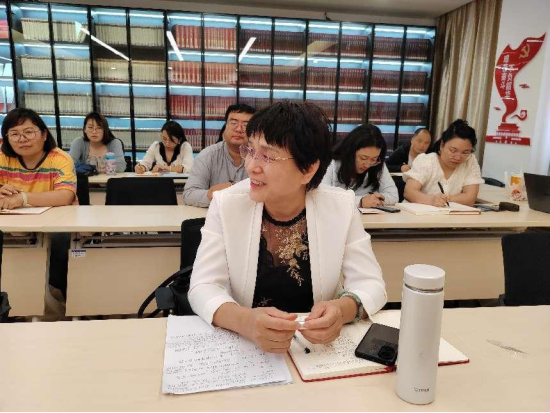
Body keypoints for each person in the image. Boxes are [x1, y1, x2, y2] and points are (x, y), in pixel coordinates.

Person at [189, 102, 387, 354]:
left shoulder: (341, 206)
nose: (251, 166)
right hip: (250, 349)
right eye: (250, 150)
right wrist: (244, 321)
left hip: (314, 351)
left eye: (267, 156)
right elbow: (202, 286)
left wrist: (342, 310)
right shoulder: (227, 203)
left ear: (308, 169)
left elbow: (372, 285)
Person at [0, 108, 76, 210]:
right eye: (14, 134)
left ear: (44, 134)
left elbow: (66, 196)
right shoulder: (3, 159)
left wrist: (23, 198)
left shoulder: (60, 158)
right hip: (13, 219)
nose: (22, 139)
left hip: (55, 217)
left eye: (28, 132)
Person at [183, 104, 256, 207]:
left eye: (246, 125)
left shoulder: (262, 157)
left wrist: (234, 189)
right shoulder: (207, 155)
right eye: (233, 123)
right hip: (215, 214)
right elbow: (189, 195)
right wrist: (214, 194)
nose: (239, 129)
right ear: (225, 126)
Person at [404, 119, 485, 207]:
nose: (458, 157)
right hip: (418, 213)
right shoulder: (426, 161)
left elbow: (470, 198)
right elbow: (409, 192)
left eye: (465, 152)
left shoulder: (470, 161)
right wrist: (431, 200)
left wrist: (444, 199)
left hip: (451, 214)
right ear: (442, 145)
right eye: (453, 151)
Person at [322, 124, 399, 208]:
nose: (367, 164)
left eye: (373, 159)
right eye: (363, 158)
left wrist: (375, 199)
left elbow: (393, 196)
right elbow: (322, 197)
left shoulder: (378, 164)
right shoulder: (330, 163)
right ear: (350, 152)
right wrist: (360, 201)